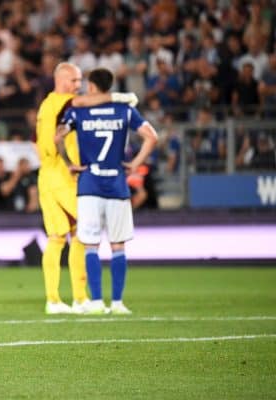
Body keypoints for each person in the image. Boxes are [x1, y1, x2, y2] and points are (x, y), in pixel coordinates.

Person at [35, 62, 138, 315]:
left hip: (47, 176)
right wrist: (120, 97)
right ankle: (81, 298)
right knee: (84, 233)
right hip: (63, 176)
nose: (78, 86)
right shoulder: (67, 103)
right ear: (61, 80)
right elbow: (85, 104)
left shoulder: (48, 104)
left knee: (58, 238)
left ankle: (54, 300)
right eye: (74, 80)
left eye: (80, 81)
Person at [55, 67, 157, 315]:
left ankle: (97, 302)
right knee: (118, 245)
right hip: (117, 183)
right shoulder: (125, 109)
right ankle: (119, 303)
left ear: (91, 86)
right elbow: (151, 137)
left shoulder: (78, 111)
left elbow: (58, 137)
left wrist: (70, 163)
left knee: (90, 244)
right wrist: (134, 164)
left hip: (89, 182)